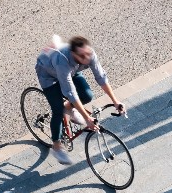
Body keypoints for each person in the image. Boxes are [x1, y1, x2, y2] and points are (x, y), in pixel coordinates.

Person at [34, 35, 126, 165]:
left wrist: (116, 101)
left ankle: (69, 108)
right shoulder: (63, 59)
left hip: (72, 71)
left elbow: (101, 77)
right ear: (73, 54)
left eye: (88, 54)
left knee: (87, 95)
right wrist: (87, 118)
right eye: (82, 57)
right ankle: (57, 147)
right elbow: (70, 92)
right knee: (58, 110)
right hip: (48, 75)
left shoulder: (88, 55)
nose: (87, 58)